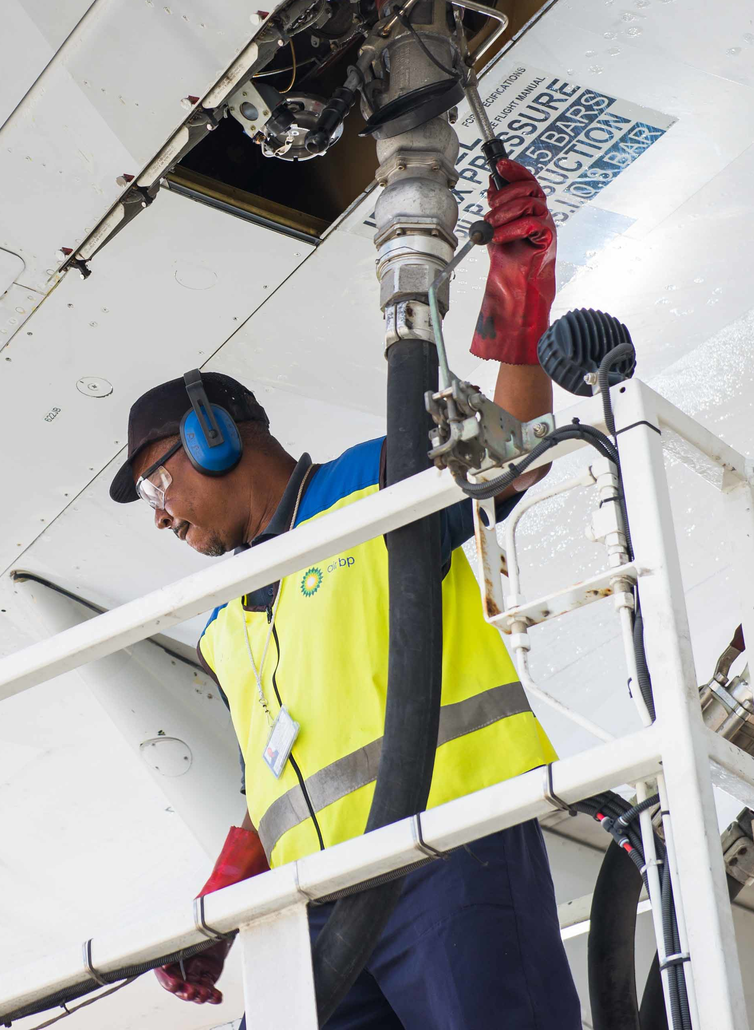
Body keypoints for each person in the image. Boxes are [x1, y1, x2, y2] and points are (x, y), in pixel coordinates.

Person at [118, 165, 579, 1028]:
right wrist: (234, 882)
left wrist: (519, 298)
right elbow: (295, 770)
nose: (161, 518)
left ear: (210, 440)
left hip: (449, 852)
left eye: (156, 486)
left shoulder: (376, 482)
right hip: (320, 908)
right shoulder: (225, 626)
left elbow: (515, 450)